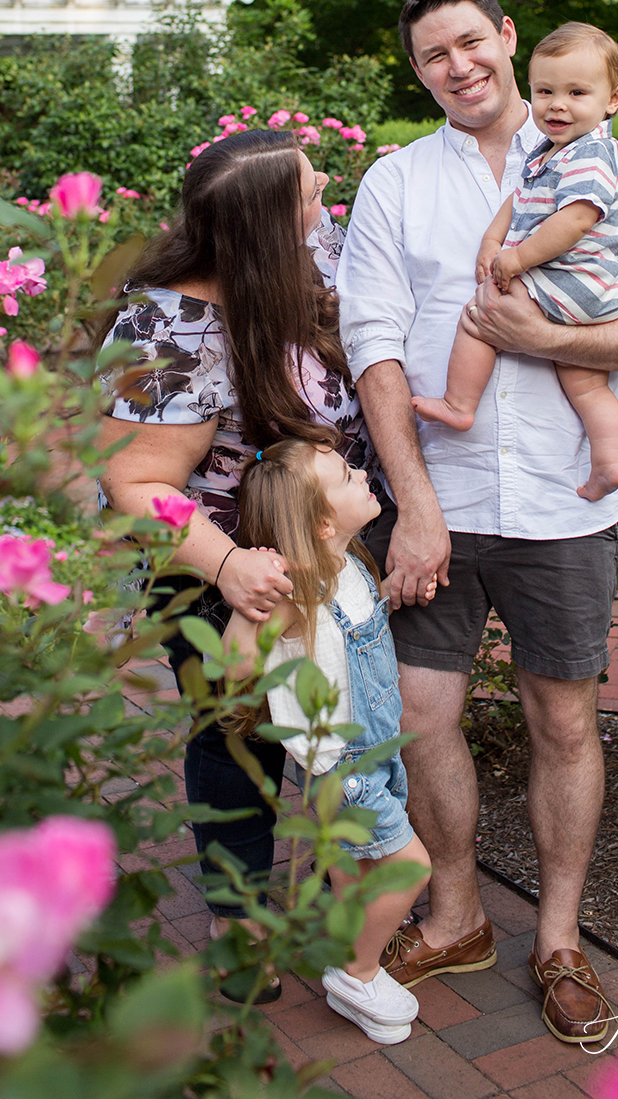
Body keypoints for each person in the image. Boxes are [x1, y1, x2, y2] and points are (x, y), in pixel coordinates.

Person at [336, 0, 618, 1046]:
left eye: (469, 42)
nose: (457, 67)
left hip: (561, 500)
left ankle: (557, 940)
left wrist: (551, 340)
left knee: (563, 721)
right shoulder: (396, 181)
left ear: (504, 38)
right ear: (417, 72)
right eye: (431, 56)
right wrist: (412, 503)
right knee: (418, 717)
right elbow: (371, 345)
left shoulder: (607, 166)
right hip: (437, 501)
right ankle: (454, 913)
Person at [98, 130, 372, 1003]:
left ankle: (345, 890)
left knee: (340, 720)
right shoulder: (166, 329)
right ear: (261, 228)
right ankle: (239, 913)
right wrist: (226, 567)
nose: (324, 196)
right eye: (309, 191)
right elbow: (134, 482)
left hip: (326, 549)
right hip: (214, 564)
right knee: (236, 732)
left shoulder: (309, 250)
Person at [223, 439, 431, 1044]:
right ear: (320, 522)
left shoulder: (352, 565)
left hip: (375, 751)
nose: (361, 472)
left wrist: (396, 591)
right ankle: (357, 973)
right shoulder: (295, 592)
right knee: (409, 866)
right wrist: (248, 597)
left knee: (354, 867)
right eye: (345, 474)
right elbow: (233, 668)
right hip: (346, 769)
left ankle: (349, 953)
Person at [412, 23, 618, 502]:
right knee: (585, 383)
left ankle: (459, 403)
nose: (557, 105)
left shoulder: (591, 154)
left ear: (613, 99)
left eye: (577, 93)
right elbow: (520, 200)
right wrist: (491, 240)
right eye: (545, 91)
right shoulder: (552, 152)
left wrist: (514, 258)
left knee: (483, 312)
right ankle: (609, 463)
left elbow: (575, 220)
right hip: (593, 289)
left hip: (575, 278)